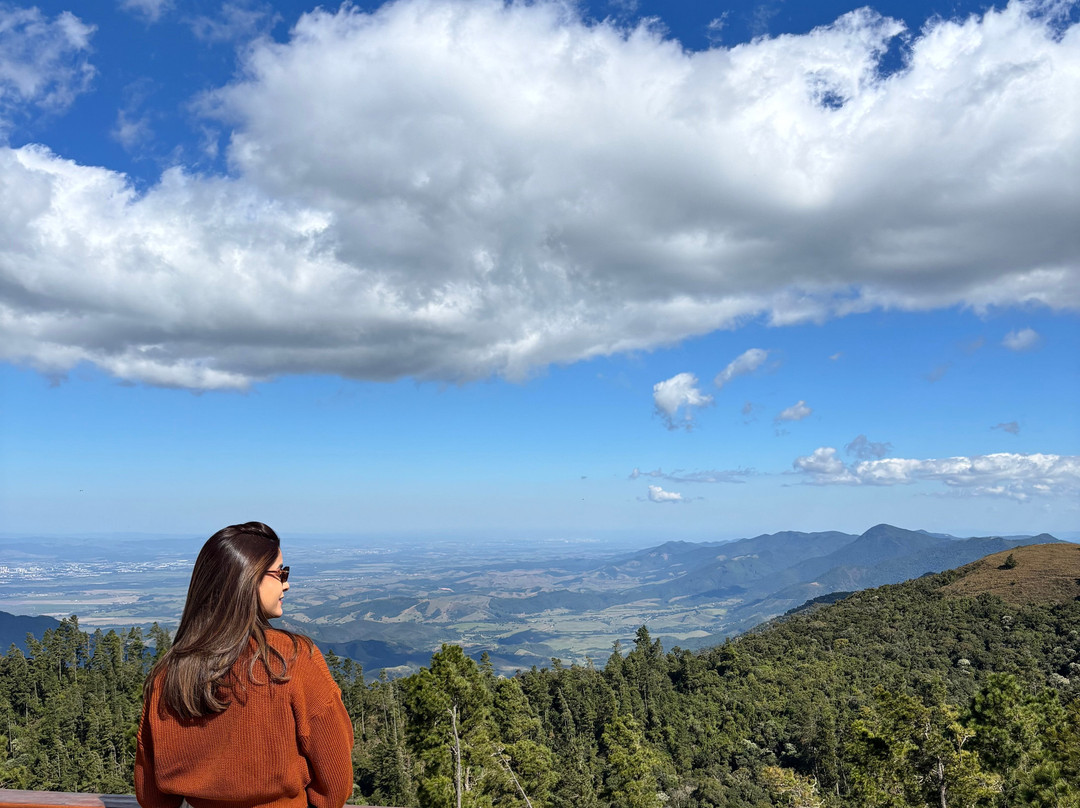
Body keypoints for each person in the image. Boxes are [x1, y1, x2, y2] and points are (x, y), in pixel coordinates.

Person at [135, 522, 354, 808]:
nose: (286, 582)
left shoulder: (168, 674)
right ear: (249, 578)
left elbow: (152, 798)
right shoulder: (293, 659)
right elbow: (334, 785)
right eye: (280, 572)